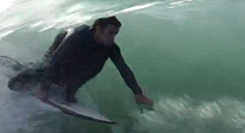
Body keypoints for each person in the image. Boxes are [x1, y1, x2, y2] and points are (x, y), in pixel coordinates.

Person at [8, 16, 154, 106]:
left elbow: (124, 69)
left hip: (75, 62)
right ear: (98, 29)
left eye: (115, 34)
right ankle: (22, 70)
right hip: (57, 55)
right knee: (14, 83)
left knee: (96, 63)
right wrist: (44, 88)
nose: (112, 38)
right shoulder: (77, 36)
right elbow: (55, 60)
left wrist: (138, 93)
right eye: (110, 33)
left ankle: (69, 91)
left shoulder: (110, 47)